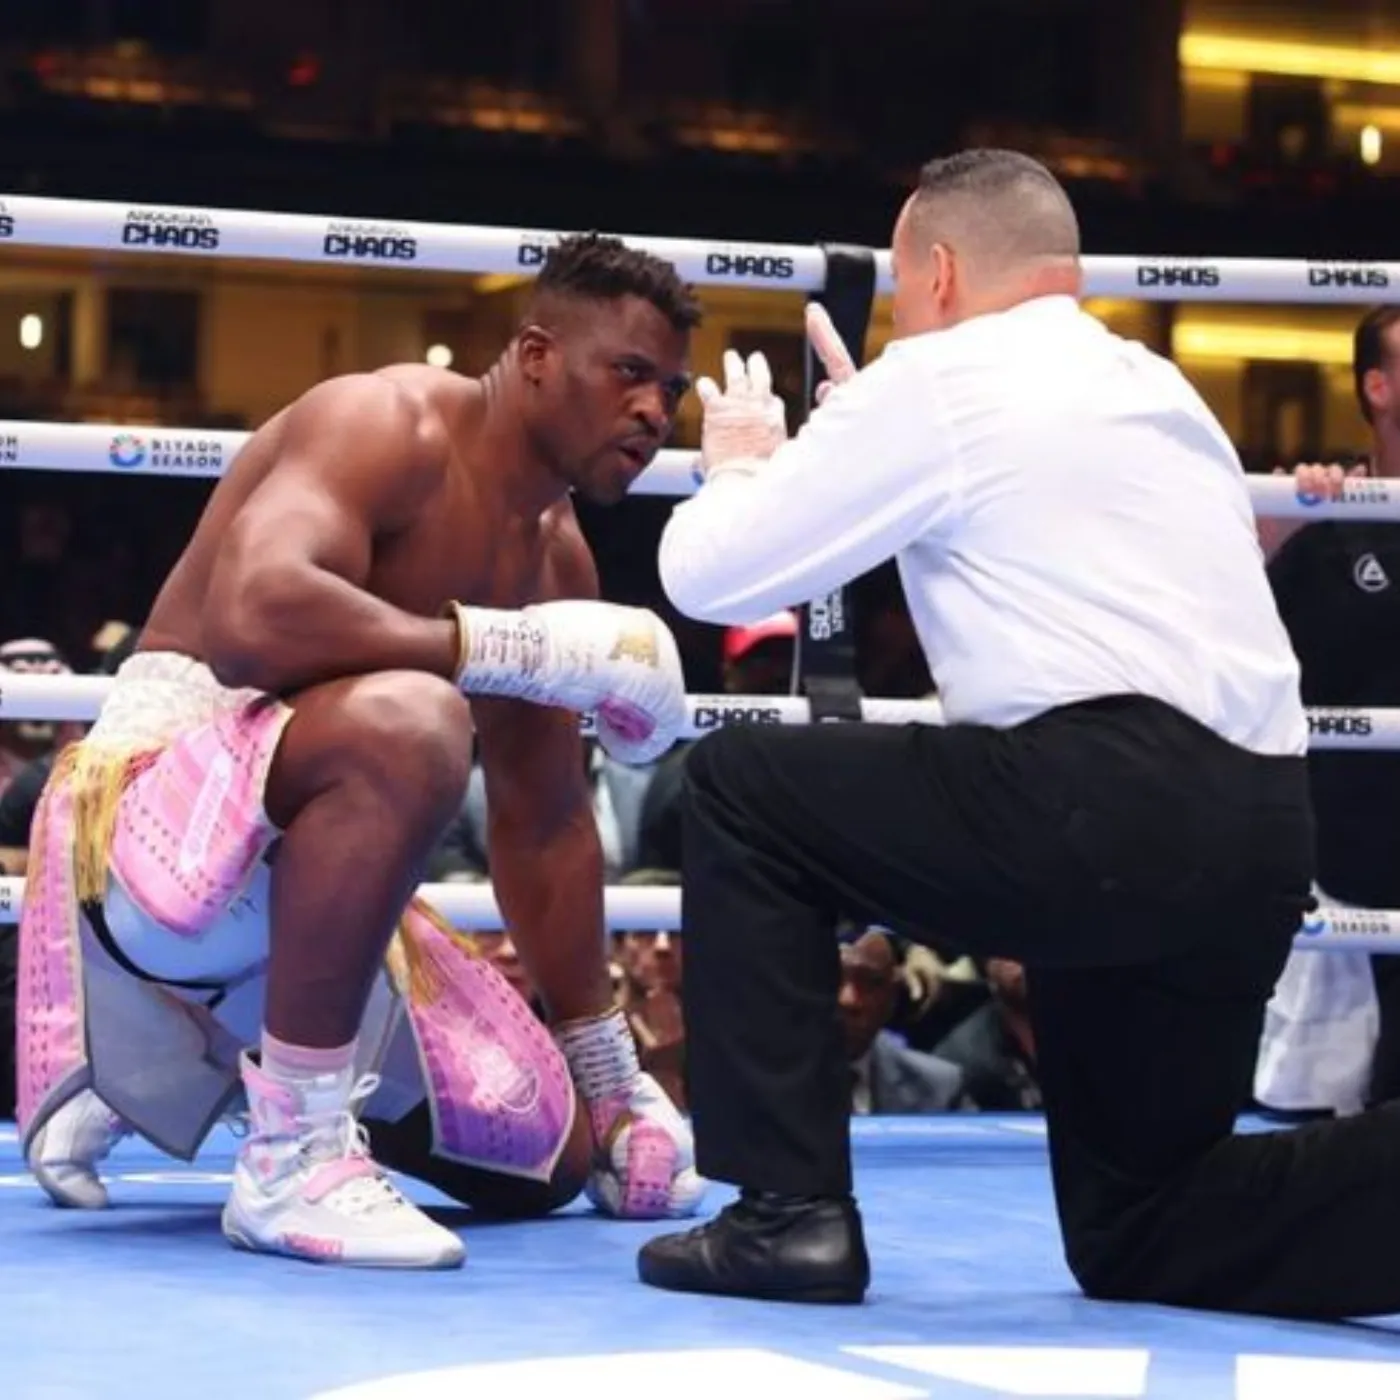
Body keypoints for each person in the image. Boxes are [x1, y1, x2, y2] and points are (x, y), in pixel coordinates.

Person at [632, 148, 1385, 1322]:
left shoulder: (933, 381)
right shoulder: (1157, 387)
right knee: (1145, 1223)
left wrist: (745, 465)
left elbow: (708, 576)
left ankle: (788, 1212)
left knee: (737, 783)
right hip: (1256, 827)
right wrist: (854, 450)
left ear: (934, 269)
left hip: (1097, 801)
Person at [18, 232, 705, 1270]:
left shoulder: (556, 556)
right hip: (154, 842)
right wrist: (496, 643)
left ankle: (173, 1056)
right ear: (533, 356)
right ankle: (287, 1155)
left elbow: (544, 818)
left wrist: (605, 1074)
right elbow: (254, 617)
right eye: (628, 373)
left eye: (671, 386)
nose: (655, 410)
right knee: (416, 716)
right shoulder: (382, 422)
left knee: (547, 1158)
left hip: (303, 900)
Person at [1252, 310, 1400, 1118]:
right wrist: (1271, 536)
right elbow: (1221, 647)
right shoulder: (1325, 524)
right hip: (1344, 872)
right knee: (1317, 1132)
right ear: (1378, 388)